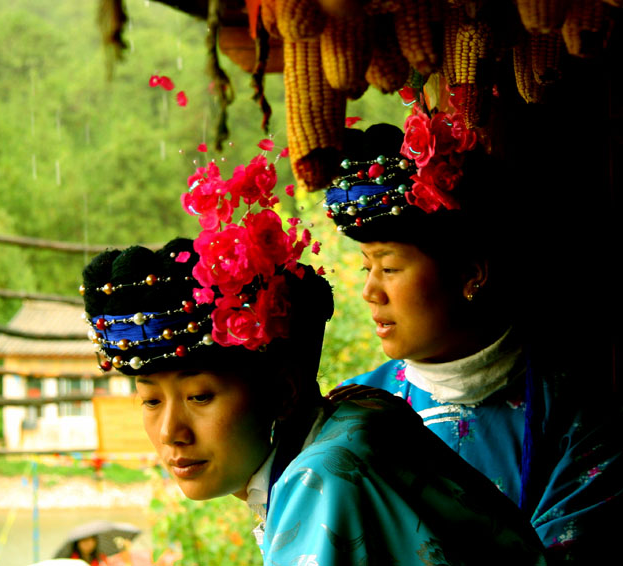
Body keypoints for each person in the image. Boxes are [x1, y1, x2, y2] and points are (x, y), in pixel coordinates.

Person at [80, 153, 546, 565]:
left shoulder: (320, 478)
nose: (170, 433)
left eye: (199, 396)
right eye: (150, 401)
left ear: (284, 390)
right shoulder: (356, 410)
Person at [324, 118, 623, 564]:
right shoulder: (353, 415)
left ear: (471, 273)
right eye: (366, 267)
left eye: (389, 268)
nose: (370, 291)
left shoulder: (572, 414)